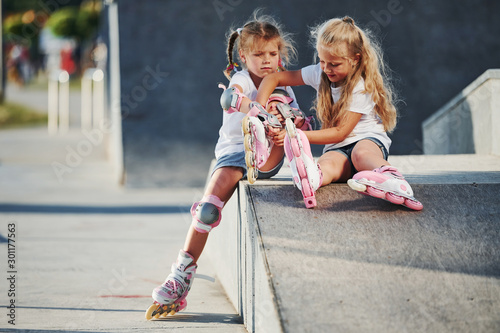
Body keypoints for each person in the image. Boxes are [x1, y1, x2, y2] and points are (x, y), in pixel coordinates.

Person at [146, 11, 300, 320]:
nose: (267, 60)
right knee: (208, 209)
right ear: (243, 56)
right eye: (258, 54)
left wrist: (285, 126)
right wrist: (250, 107)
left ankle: (274, 142)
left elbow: (297, 116)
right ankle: (181, 274)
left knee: (281, 108)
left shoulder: (282, 85)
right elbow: (230, 97)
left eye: (273, 53)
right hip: (234, 155)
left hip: (269, 157)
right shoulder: (242, 78)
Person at [255, 16, 423, 211]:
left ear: (355, 59)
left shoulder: (361, 86)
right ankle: (311, 178)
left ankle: (392, 179)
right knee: (328, 164)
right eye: (322, 61)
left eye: (334, 64)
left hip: (367, 140)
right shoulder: (320, 72)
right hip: (337, 148)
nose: (326, 69)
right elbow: (274, 78)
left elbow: (341, 132)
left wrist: (297, 136)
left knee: (361, 154)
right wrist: (259, 111)